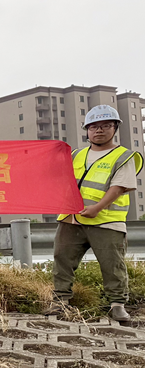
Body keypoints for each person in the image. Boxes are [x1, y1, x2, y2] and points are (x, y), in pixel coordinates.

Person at [49, 105, 143, 322]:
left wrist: (96, 208)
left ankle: (117, 305)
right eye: (93, 126)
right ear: (87, 130)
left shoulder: (124, 156)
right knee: (62, 261)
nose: (99, 130)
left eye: (105, 126)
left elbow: (118, 187)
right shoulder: (75, 154)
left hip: (106, 222)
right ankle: (60, 301)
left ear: (115, 128)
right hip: (71, 219)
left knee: (113, 265)